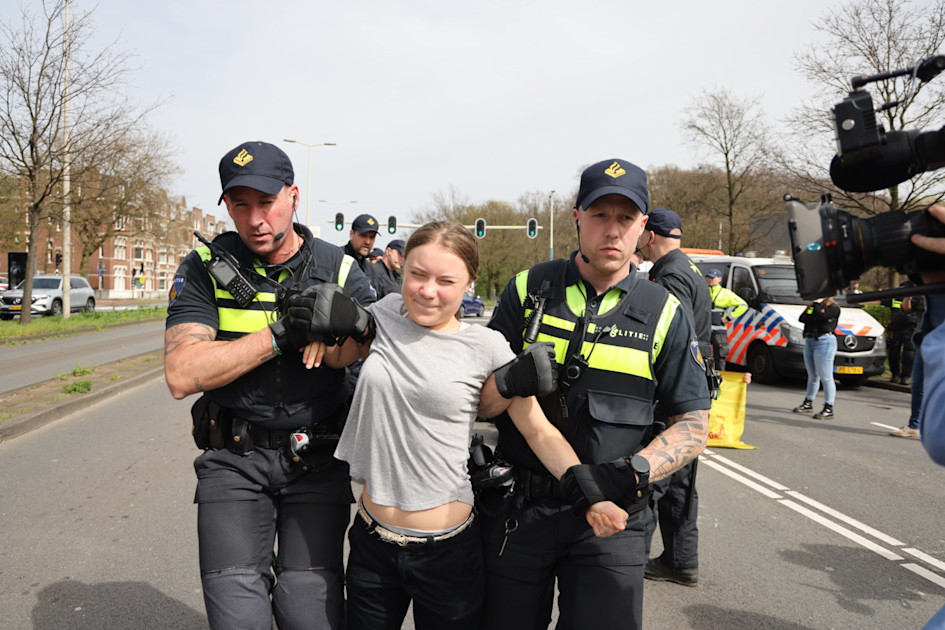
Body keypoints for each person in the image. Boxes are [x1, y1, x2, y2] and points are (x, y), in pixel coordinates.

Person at [320, 222, 626, 630]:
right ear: (402, 270)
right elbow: (335, 358)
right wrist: (316, 324)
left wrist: (592, 495)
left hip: (447, 553)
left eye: (446, 281)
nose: (427, 291)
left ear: (469, 284)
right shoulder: (384, 313)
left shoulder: (487, 346)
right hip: (372, 542)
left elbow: (539, 431)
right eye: (417, 274)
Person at [479, 159, 711, 629]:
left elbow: (693, 426)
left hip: (615, 520)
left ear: (643, 227)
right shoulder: (527, 290)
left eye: (625, 218)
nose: (612, 230)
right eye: (599, 215)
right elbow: (479, 403)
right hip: (521, 511)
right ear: (576, 217)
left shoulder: (664, 311)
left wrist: (635, 471)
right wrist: (507, 382)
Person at [163, 141, 375, 630]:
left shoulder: (342, 268)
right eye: (241, 205)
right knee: (238, 617)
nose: (255, 218)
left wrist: (355, 324)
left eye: (267, 202)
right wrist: (281, 335)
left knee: (310, 615)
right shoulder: (202, 267)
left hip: (316, 462)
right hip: (232, 463)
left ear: (293, 196)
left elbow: (372, 348)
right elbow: (181, 374)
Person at [637, 207, 713, 587]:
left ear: (648, 236)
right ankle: (681, 560)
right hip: (692, 388)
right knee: (681, 481)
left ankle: (629, 560)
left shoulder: (670, 275)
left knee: (654, 476)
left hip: (672, 391)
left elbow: (670, 334)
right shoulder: (691, 269)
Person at [792, 296, 841, 419]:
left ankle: (829, 407)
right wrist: (814, 309)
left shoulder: (833, 307)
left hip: (824, 341)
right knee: (812, 375)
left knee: (826, 376)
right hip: (809, 340)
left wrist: (817, 306)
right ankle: (808, 402)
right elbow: (802, 318)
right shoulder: (813, 306)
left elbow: (821, 317)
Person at [705, 269, 748, 370]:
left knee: (720, 355)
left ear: (719, 279)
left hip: (719, 330)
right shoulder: (703, 291)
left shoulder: (726, 293)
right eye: (709, 277)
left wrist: (729, 318)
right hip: (704, 329)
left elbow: (743, 305)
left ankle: (721, 379)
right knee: (702, 354)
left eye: (712, 278)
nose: (710, 280)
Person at [882, 282, 919, 386]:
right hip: (896, 328)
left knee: (909, 354)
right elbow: (880, 300)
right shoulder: (895, 297)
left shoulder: (917, 297)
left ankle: (906, 376)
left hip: (910, 328)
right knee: (893, 353)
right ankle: (895, 374)